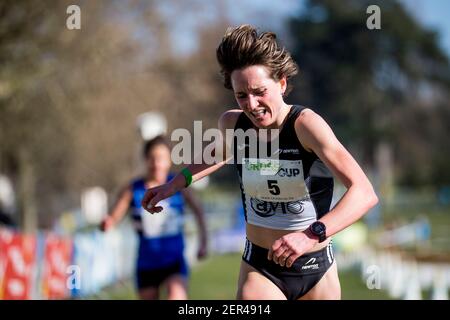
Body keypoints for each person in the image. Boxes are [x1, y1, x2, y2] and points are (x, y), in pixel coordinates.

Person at [141, 25, 378, 300]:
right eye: (241, 95)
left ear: (282, 84)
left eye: (259, 91)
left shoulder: (306, 126)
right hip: (261, 268)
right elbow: (217, 155)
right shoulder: (233, 124)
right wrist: (173, 185)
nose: (251, 104)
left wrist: (311, 235)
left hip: (315, 268)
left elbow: (364, 193)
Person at [101, 135, 208, 300]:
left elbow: (199, 211)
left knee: (176, 296)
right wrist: (107, 223)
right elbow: (114, 217)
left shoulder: (179, 184)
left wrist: (203, 242)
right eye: (152, 158)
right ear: (145, 160)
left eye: (161, 158)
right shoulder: (133, 189)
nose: (156, 164)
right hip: (146, 264)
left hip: (174, 261)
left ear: (169, 160)